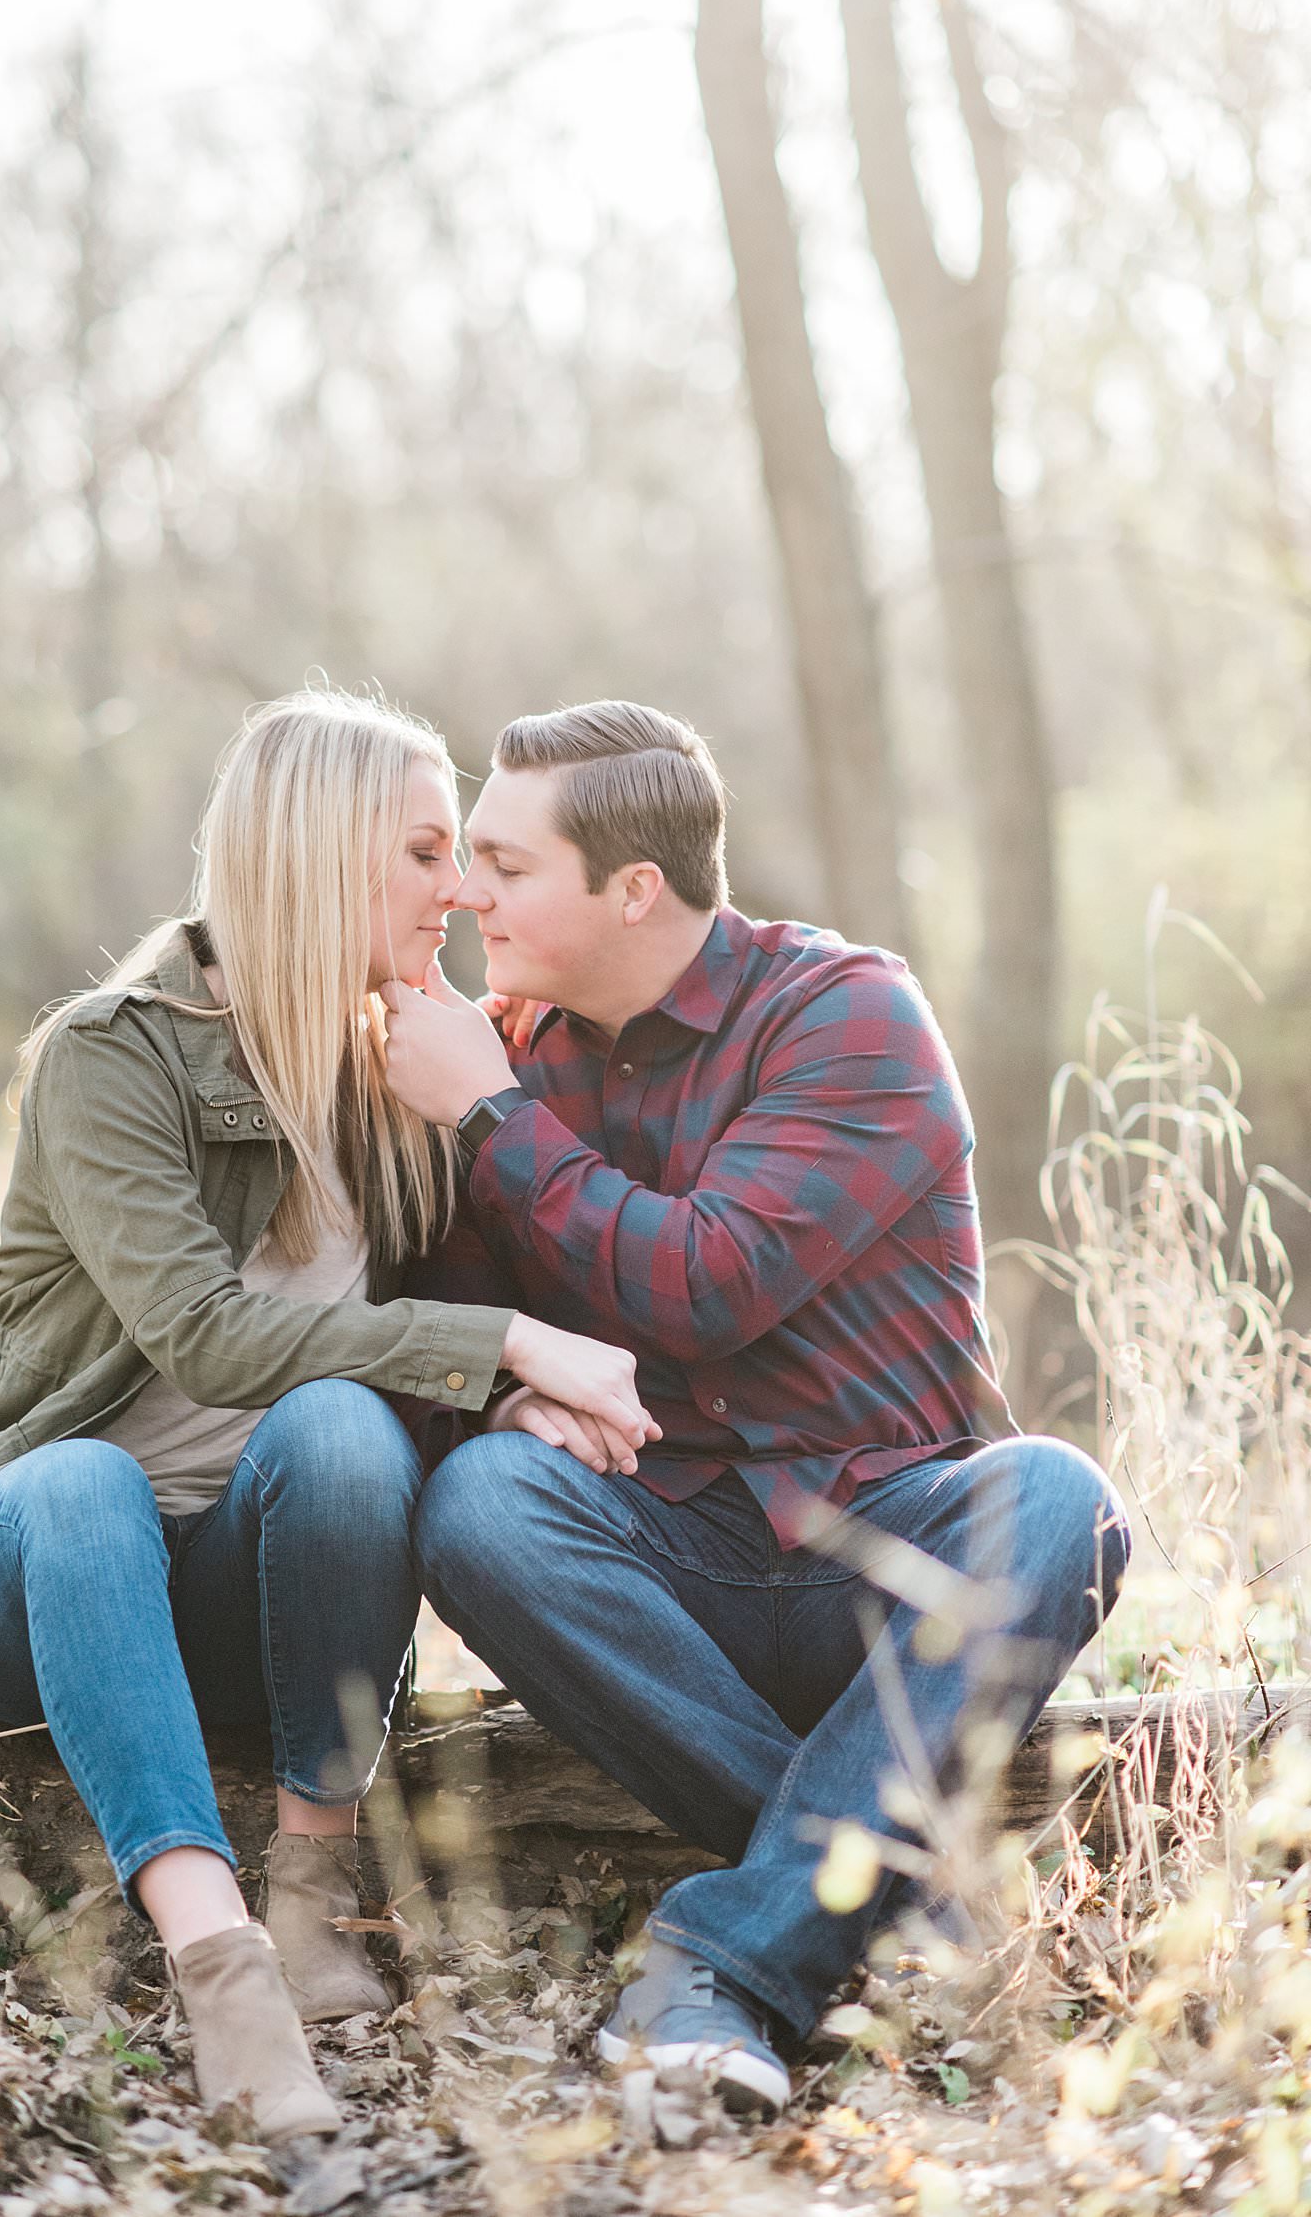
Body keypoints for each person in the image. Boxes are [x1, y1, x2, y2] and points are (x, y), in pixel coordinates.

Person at [0, 688, 653, 2143]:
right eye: (421, 850)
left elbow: (411, 1363)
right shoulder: (113, 1056)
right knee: (85, 1481)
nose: (458, 887)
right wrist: (504, 1338)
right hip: (47, 1569)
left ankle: (314, 1879)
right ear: (317, 858)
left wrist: (518, 1397)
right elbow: (206, 1337)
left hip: (249, 1587)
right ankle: (222, 1962)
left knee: (345, 1428)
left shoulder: (403, 1066)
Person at [380, 699, 1131, 2115]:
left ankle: (729, 1957)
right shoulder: (504, 1052)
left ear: (635, 889)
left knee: (1062, 1502)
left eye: (506, 861)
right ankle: (887, 1900)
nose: (469, 890)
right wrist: (498, 1396)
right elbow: (436, 1328)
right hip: (672, 1578)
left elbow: (709, 1280)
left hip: (889, 1559)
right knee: (479, 1504)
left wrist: (491, 1122)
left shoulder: (846, 1013)